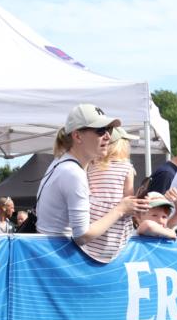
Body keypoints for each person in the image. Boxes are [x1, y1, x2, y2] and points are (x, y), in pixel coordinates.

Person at [35, 104, 147, 255]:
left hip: (51, 253)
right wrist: (121, 209)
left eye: (109, 130)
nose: (108, 136)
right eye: (100, 130)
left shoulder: (63, 163)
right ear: (77, 136)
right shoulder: (73, 172)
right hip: (58, 257)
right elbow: (82, 235)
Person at [85, 126, 139, 262]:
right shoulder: (127, 168)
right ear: (122, 146)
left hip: (95, 221)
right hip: (116, 224)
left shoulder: (91, 166)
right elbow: (128, 200)